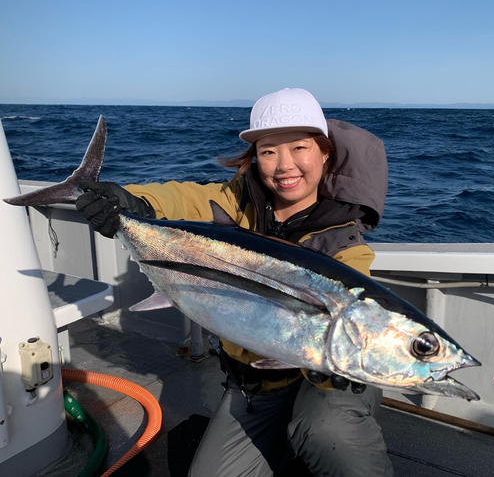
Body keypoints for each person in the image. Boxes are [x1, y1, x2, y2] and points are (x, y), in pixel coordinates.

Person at [76, 88, 394, 477]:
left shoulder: (344, 241)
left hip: (322, 385)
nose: (285, 165)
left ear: (324, 153)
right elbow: (183, 198)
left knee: (329, 431)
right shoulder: (237, 202)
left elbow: (358, 302)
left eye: (299, 147)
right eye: (268, 151)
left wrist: (338, 360)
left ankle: (311, 438)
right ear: (254, 157)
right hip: (255, 389)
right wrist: (129, 203)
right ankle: (286, 442)